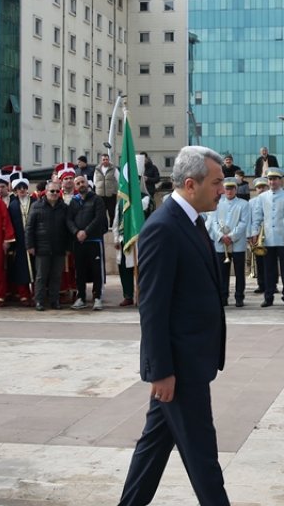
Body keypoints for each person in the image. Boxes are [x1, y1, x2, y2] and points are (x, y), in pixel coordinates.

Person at [118, 146, 229, 506]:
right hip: (179, 368)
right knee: (203, 460)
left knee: (153, 448)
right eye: (216, 182)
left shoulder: (193, 222)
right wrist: (161, 371)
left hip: (193, 359)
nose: (222, 190)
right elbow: (151, 307)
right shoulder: (163, 228)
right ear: (190, 184)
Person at [251, 167, 284, 308]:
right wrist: (254, 233)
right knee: (268, 269)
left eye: (275, 179)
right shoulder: (262, 197)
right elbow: (257, 217)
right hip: (268, 239)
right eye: (270, 179)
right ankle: (268, 296)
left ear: (280, 180)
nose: (272, 182)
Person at [28, 181, 72, 311]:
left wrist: (68, 247)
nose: (54, 193)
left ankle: (54, 301)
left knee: (56, 276)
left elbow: (68, 229)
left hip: (59, 248)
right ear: (46, 192)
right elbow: (29, 227)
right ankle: (39, 301)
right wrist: (30, 245)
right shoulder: (36, 206)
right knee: (41, 276)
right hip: (42, 248)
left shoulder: (64, 207)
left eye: (57, 191)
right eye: (52, 191)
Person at [68, 175, 109, 310]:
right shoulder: (74, 202)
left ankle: (97, 298)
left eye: (82, 182)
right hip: (78, 242)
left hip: (94, 241)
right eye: (78, 183)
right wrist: (76, 232)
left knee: (96, 270)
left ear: (87, 183)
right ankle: (81, 298)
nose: (81, 185)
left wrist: (85, 232)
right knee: (80, 271)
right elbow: (69, 220)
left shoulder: (97, 199)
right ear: (75, 187)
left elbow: (99, 218)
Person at [208, 178, 249, 307]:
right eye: (227, 188)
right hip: (221, 243)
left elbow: (243, 223)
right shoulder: (217, 203)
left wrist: (231, 236)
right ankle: (223, 296)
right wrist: (221, 236)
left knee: (239, 272)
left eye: (232, 188)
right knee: (222, 272)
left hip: (237, 243)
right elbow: (213, 222)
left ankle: (239, 297)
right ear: (223, 189)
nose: (229, 191)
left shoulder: (243, 204)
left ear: (236, 189)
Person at [7, 175, 35, 306]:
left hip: (34, 241)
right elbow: (9, 224)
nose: (22, 190)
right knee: (21, 268)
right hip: (19, 242)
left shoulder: (35, 202)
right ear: (15, 190)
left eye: (24, 187)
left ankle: (36, 294)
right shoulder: (12, 205)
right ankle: (24, 295)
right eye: (19, 188)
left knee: (36, 268)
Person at [94, 154, 119, 226]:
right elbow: (95, 180)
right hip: (100, 194)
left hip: (111, 194)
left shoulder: (114, 169)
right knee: (101, 212)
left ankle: (112, 226)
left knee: (112, 212)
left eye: (106, 159)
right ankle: (103, 227)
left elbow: (118, 179)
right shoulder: (97, 169)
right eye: (103, 159)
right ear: (101, 161)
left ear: (109, 160)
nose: (105, 161)